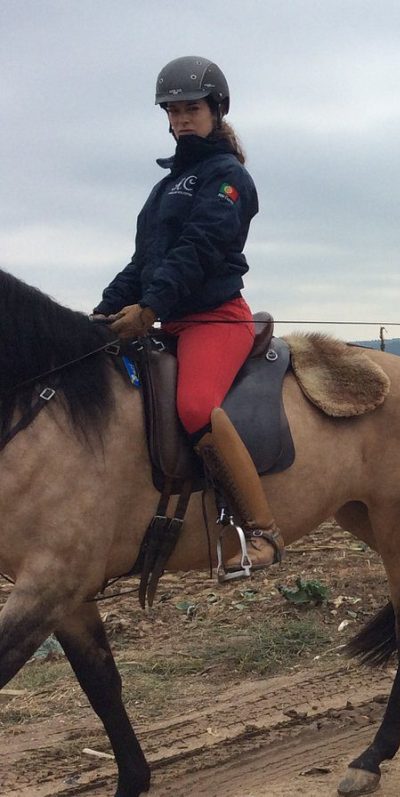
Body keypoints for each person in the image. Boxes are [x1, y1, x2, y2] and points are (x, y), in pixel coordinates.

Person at [92, 55, 283, 577]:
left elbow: (199, 249)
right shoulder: (163, 189)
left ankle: (262, 531)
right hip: (169, 319)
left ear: (216, 110)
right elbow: (144, 262)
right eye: (172, 111)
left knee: (198, 406)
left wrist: (152, 307)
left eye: (191, 109)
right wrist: (104, 311)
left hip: (216, 318)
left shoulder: (228, 178)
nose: (180, 119)